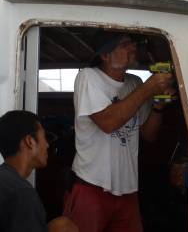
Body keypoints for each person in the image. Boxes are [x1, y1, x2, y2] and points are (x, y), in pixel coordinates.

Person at [63, 32, 174, 232]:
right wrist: (148, 88)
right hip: (91, 187)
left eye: (132, 43)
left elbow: (149, 134)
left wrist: (158, 104)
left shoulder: (134, 83)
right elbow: (108, 123)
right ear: (105, 56)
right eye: (124, 45)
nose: (133, 47)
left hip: (127, 190)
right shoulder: (88, 77)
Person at [0, 110, 78, 232]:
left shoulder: (6, 181)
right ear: (30, 141)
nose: (47, 145)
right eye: (44, 137)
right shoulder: (22, 194)